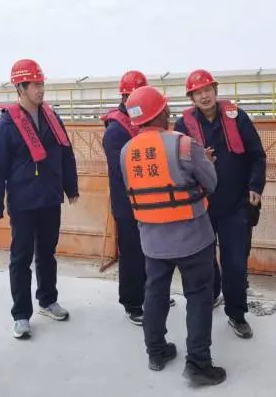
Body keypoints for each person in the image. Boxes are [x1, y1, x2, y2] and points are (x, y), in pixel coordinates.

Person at [120, 85, 226, 386]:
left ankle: (156, 353)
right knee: (198, 297)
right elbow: (211, 183)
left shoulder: (127, 151)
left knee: (155, 295)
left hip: (153, 241)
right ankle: (198, 364)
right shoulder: (184, 144)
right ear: (163, 112)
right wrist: (205, 162)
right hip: (193, 238)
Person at [0, 59, 79, 340]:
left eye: (42, 84)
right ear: (21, 88)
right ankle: (21, 315)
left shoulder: (52, 118)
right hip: (23, 202)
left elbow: (65, 153)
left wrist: (71, 188)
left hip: (50, 197)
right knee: (21, 258)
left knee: (48, 253)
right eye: (35, 85)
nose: (40, 90)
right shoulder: (7, 124)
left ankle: (48, 300)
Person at [174, 69, 266, 339]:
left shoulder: (238, 118)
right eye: (198, 93)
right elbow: (178, 164)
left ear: (215, 91)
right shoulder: (183, 125)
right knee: (203, 260)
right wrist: (199, 161)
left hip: (236, 204)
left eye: (207, 90)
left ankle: (237, 314)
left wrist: (255, 186)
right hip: (201, 205)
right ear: (191, 98)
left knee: (235, 262)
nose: (204, 96)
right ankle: (212, 295)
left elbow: (257, 155)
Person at [101, 70, 175, 325]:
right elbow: (122, 170)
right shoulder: (116, 131)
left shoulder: (143, 122)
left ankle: (152, 294)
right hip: (128, 204)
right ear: (124, 98)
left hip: (149, 200)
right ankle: (132, 303)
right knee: (132, 254)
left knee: (153, 251)